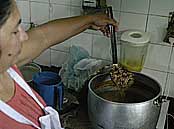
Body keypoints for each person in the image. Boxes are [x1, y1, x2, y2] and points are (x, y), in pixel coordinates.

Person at [0, 0, 118, 129]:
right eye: (14, 31)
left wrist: (90, 20)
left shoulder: (6, 66)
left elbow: (43, 36)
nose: (24, 36)